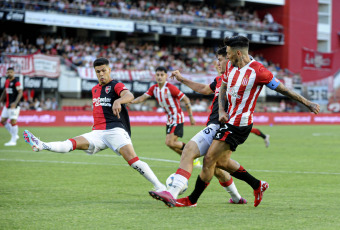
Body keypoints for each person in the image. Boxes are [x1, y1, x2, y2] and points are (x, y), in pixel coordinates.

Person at [151, 36, 320, 208]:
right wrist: (222, 110)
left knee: (209, 159)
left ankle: (190, 200)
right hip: (227, 120)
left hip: (240, 124)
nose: (227, 56)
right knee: (221, 163)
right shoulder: (231, 67)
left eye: (229, 53)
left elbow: (283, 89)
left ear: (238, 52)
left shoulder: (259, 71)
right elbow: (222, 86)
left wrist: (307, 103)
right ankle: (257, 185)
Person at [23, 57, 166, 192]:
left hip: (115, 130)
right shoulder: (95, 89)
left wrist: (118, 101)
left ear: (109, 70)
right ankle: (42, 145)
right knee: (71, 143)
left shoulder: (116, 85)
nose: (101, 74)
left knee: (133, 161)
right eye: (98, 71)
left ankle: (160, 187)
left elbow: (129, 96)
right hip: (97, 132)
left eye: (104, 70)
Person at [149, 47, 249, 207]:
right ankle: (238, 197)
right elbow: (203, 89)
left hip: (221, 126)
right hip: (220, 127)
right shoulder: (220, 80)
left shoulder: (236, 79)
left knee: (189, 150)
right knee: (216, 167)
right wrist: (182, 79)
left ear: (230, 59)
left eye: (221, 59)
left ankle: (172, 193)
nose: (217, 63)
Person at [130, 66, 201, 166]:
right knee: (171, 144)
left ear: (166, 76)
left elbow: (186, 99)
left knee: (169, 142)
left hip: (177, 118)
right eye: (158, 75)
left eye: (162, 75)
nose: (159, 77)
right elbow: (142, 97)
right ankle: (189, 159)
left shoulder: (170, 88)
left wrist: (191, 117)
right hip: (169, 119)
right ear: (155, 76)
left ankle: (193, 152)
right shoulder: (154, 88)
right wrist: (131, 101)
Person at [0, 67, 23, 146]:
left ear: (14, 73)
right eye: (8, 72)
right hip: (7, 105)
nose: (9, 73)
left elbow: (20, 93)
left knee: (13, 121)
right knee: (3, 121)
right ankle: (14, 135)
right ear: (7, 73)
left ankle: (13, 141)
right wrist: (0, 100)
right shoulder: (6, 81)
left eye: (11, 72)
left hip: (14, 106)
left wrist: (15, 103)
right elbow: (4, 91)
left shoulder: (17, 82)